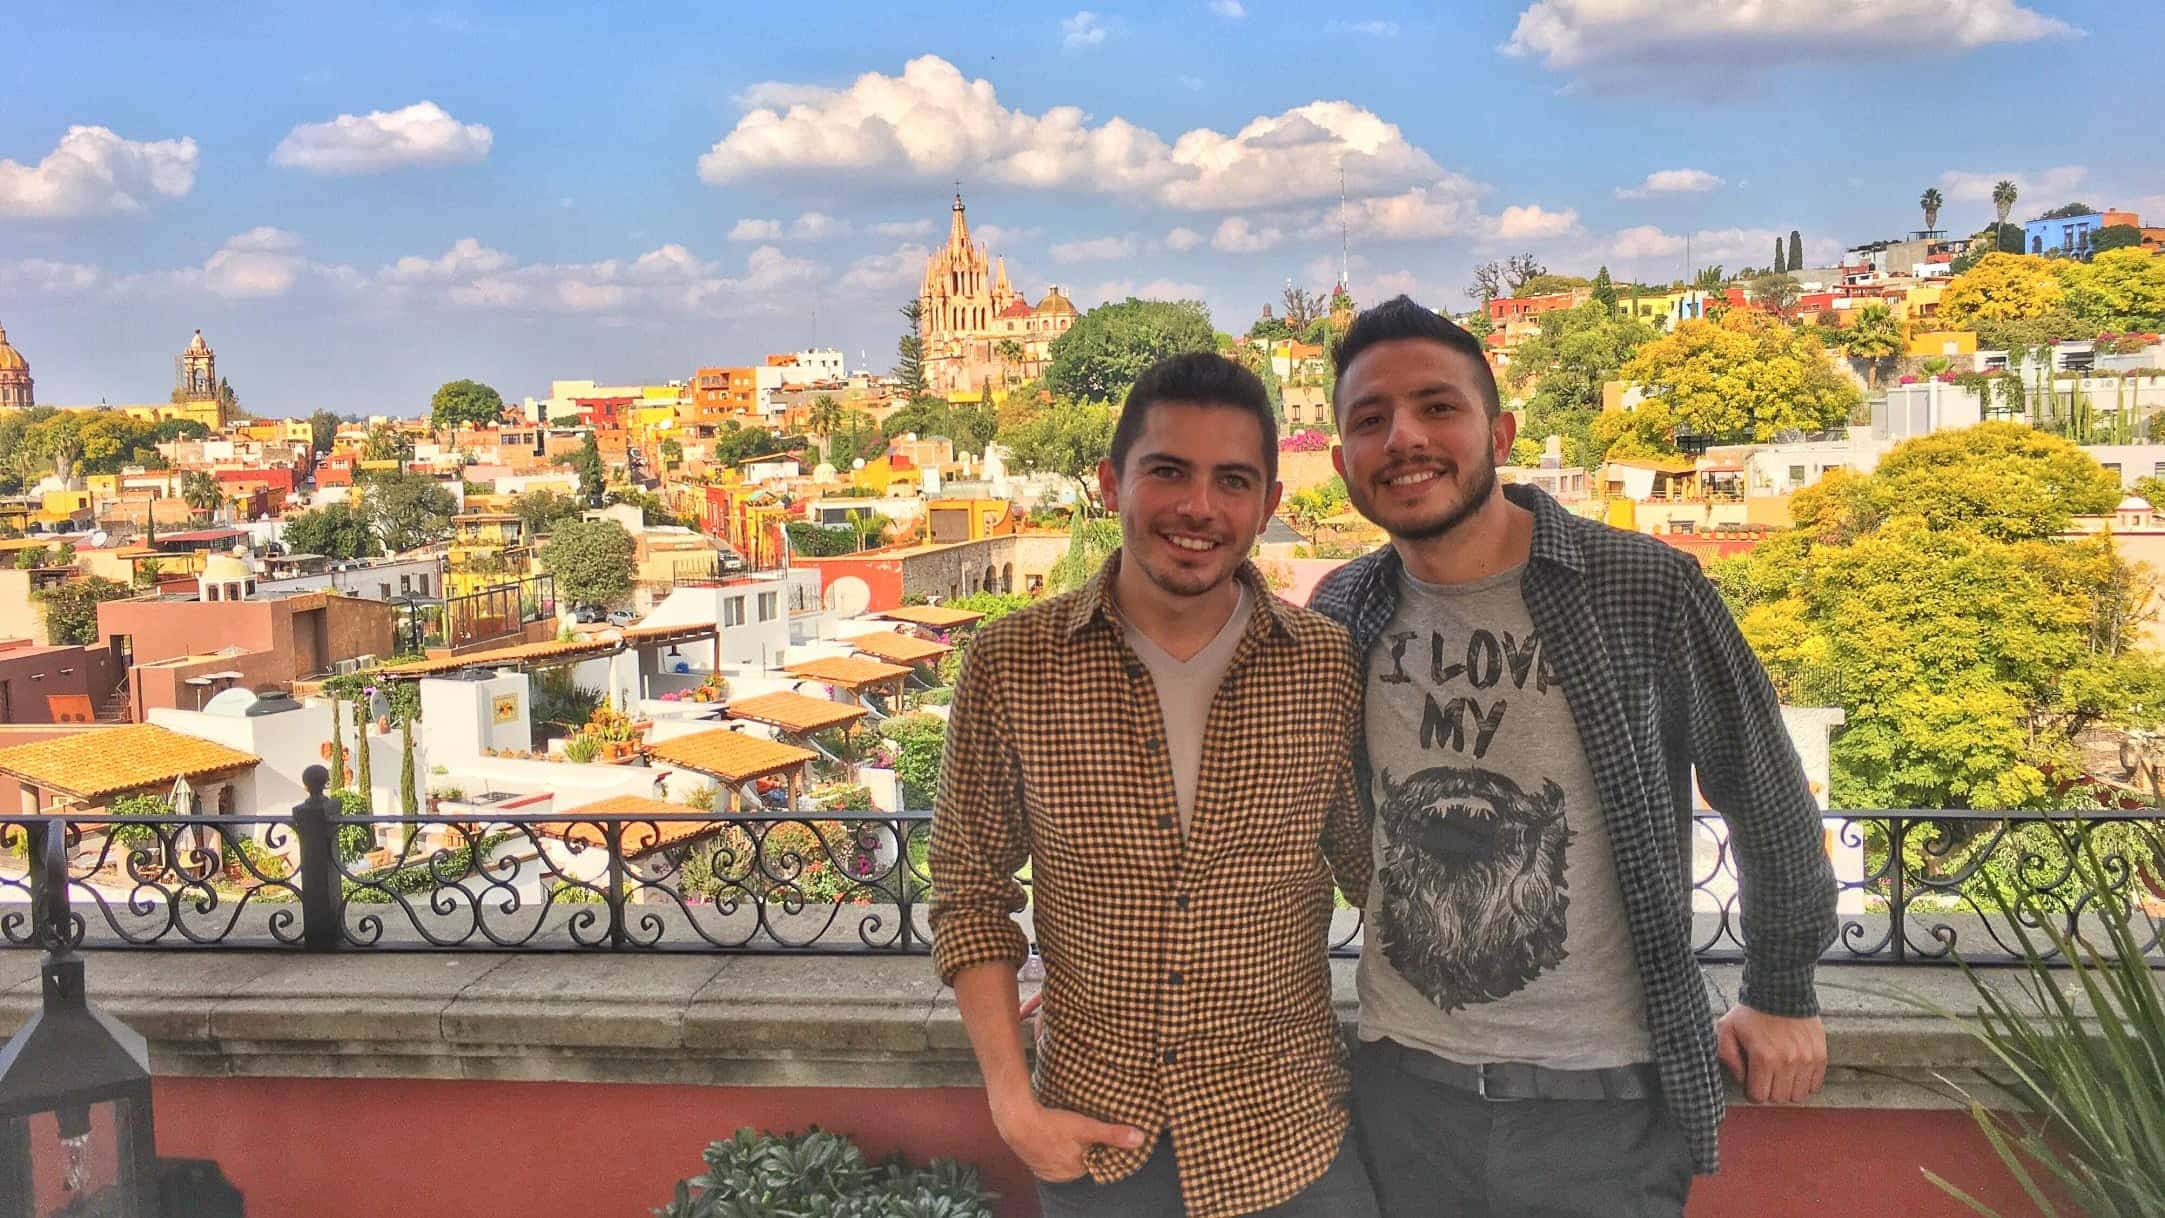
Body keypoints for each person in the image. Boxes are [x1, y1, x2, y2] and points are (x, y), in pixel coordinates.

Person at [1309, 297, 1839, 1217]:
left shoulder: (1638, 586)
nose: (1404, 438)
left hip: (1602, 1112)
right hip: (1400, 1095)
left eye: (1438, 407)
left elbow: (1758, 784)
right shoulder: (1342, 609)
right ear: (1341, 460)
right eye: (1370, 419)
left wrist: (1782, 986)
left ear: (1499, 432)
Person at [930, 351, 1378, 1218]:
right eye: (1167, 471)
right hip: (1094, 1143)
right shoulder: (1012, 665)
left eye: (1233, 480)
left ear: (1268, 506)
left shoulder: (1324, 665)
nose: (1199, 507)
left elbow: (1379, 877)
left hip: (1290, 1143)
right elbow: (968, 891)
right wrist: (1011, 1105)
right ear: (1110, 482)